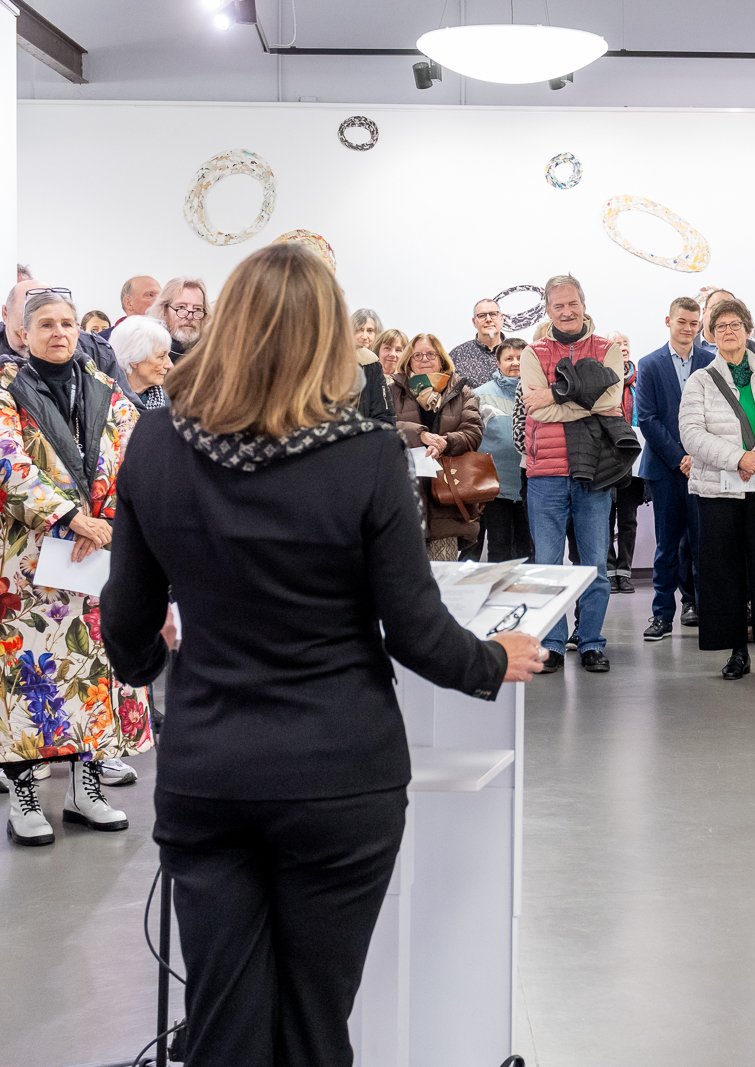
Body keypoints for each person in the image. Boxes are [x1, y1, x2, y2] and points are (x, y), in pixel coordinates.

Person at [99, 242, 543, 1066]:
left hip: (210, 771)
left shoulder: (156, 446)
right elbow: (413, 627)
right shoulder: (368, 453)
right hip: (340, 775)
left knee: (223, 1023)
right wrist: (493, 659)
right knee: (314, 1020)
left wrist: (151, 649)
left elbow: (126, 632)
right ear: (328, 340)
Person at [2, 291, 152, 846]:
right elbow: (8, 465)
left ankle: (87, 791)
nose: (60, 332)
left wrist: (105, 520)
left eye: (67, 322)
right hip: (30, 567)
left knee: (95, 673)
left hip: (97, 558)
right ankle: (24, 798)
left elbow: (133, 456)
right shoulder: (5, 391)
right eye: (45, 324)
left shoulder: (106, 388)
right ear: (22, 331)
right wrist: (69, 518)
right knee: (30, 679)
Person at [678, 297, 755, 680]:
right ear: (711, 336)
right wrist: (737, 458)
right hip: (717, 491)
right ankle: (735, 652)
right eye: (721, 327)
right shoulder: (700, 380)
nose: (729, 332)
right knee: (723, 571)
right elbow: (691, 433)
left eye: (736, 325)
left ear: (749, 331)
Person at [521, 274, 625, 674]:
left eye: (572, 303)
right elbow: (537, 409)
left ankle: (591, 642)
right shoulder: (533, 353)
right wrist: (585, 395)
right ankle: (551, 643)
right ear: (548, 310)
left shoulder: (607, 349)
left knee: (595, 567)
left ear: (584, 304)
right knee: (547, 565)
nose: (567, 311)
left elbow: (611, 402)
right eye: (558, 305)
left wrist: (558, 392)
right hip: (545, 473)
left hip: (594, 471)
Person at [637, 297, 713, 641]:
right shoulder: (649, 364)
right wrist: (680, 457)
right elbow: (648, 420)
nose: (688, 328)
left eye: (694, 323)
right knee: (667, 546)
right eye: (682, 321)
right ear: (668, 320)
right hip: (667, 469)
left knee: (702, 545)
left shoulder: (712, 363)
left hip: (705, 467)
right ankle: (662, 616)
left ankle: (700, 607)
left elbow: (717, 417)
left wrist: (696, 455)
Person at [391, 333, 485, 560]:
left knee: (445, 580)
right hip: (404, 496)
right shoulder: (392, 390)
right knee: (408, 582)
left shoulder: (461, 390)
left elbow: (473, 431)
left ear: (441, 359)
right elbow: (383, 426)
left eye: (430, 354)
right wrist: (419, 435)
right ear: (409, 361)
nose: (424, 359)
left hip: (447, 498)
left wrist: (446, 442)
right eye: (417, 355)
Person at [474, 338, 533, 562]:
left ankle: (528, 596)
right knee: (499, 548)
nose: (515, 362)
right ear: (498, 363)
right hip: (495, 487)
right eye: (509, 358)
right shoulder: (480, 394)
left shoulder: (539, 391)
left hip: (530, 483)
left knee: (528, 548)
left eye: (520, 358)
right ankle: (500, 597)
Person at [606, 331, 646, 594]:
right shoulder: (603, 378)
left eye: (626, 343)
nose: (622, 347)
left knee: (629, 519)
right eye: (617, 344)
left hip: (635, 456)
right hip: (608, 459)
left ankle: (625, 571)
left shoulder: (639, 381)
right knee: (606, 517)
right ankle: (609, 570)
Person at [109, 314, 175, 411]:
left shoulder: (167, 404)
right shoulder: (104, 403)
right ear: (134, 359)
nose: (169, 365)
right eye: (161, 356)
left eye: (167, 355)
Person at [450, 297, 504, 389]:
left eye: (493, 314)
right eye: (482, 315)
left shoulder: (520, 351)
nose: (488, 319)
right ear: (474, 322)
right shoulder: (457, 355)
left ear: (502, 318)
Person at [697, 288, 755, 356]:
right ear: (704, 311)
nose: (720, 313)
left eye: (729, 309)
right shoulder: (687, 346)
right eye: (715, 307)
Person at [154, 276, 209, 360]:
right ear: (164, 309)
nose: (190, 316)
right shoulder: (149, 352)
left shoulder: (209, 354)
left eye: (197, 309)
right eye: (181, 308)